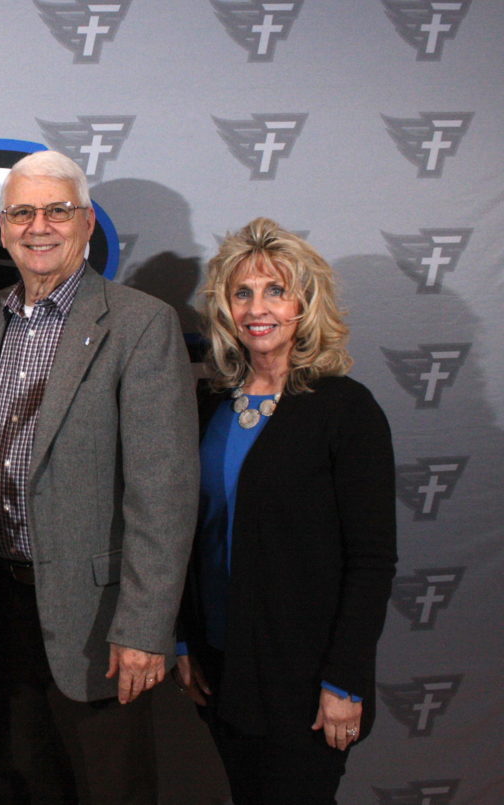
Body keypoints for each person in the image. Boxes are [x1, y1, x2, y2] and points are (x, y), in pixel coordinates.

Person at [0, 150, 198, 804]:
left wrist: (145, 626)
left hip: (98, 622)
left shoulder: (139, 323)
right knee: (19, 783)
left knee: (109, 788)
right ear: (4, 229)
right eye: (22, 212)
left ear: (86, 222)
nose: (40, 226)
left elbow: (164, 491)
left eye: (57, 210)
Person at [174, 218, 397, 804]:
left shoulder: (346, 410)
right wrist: (184, 641)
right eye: (242, 292)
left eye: (276, 290)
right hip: (221, 666)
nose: (257, 307)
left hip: (306, 679)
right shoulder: (208, 404)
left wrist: (344, 680)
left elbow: (372, 562)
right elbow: (186, 534)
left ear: (305, 302)